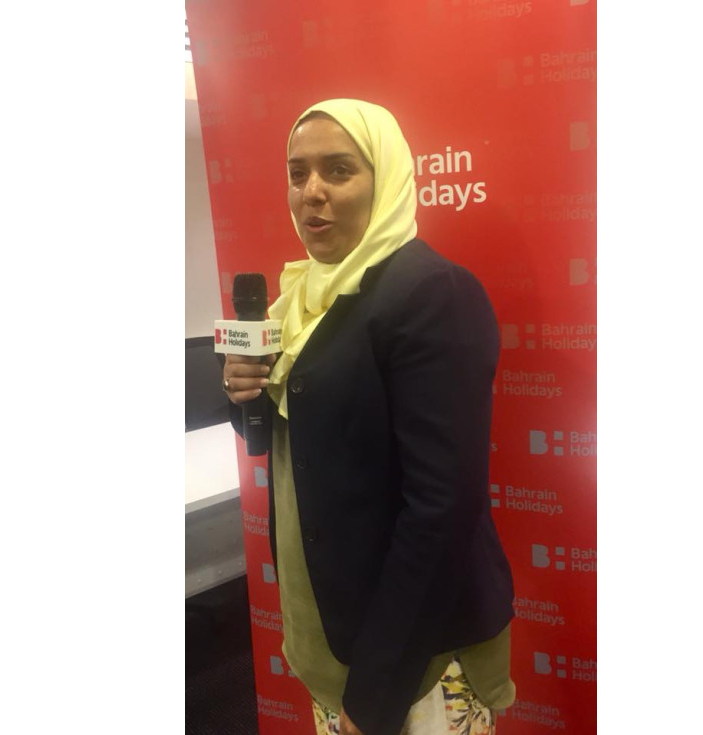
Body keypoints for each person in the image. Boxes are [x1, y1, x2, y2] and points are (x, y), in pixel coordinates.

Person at [223, 99, 515, 735]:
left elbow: (442, 508)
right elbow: (315, 442)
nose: (312, 192)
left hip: (414, 661)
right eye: (297, 173)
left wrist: (376, 691)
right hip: (335, 640)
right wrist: (246, 395)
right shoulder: (301, 299)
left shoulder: (429, 293)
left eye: (338, 170)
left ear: (386, 179)